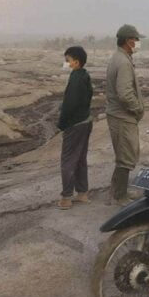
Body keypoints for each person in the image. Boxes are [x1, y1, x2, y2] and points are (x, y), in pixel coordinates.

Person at [106, 24, 146, 205]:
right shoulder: (122, 62)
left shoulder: (120, 58)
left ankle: (116, 191)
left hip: (119, 115)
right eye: (136, 40)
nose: (138, 43)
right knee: (126, 157)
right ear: (129, 41)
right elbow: (124, 93)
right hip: (123, 116)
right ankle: (119, 195)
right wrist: (137, 108)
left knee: (124, 154)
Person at [57, 46, 94, 210]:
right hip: (85, 121)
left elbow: (69, 105)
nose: (66, 64)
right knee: (80, 159)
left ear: (76, 62)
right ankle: (82, 193)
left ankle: (66, 198)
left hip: (75, 124)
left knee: (68, 160)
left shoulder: (76, 79)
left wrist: (61, 123)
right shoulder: (84, 75)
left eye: (68, 61)